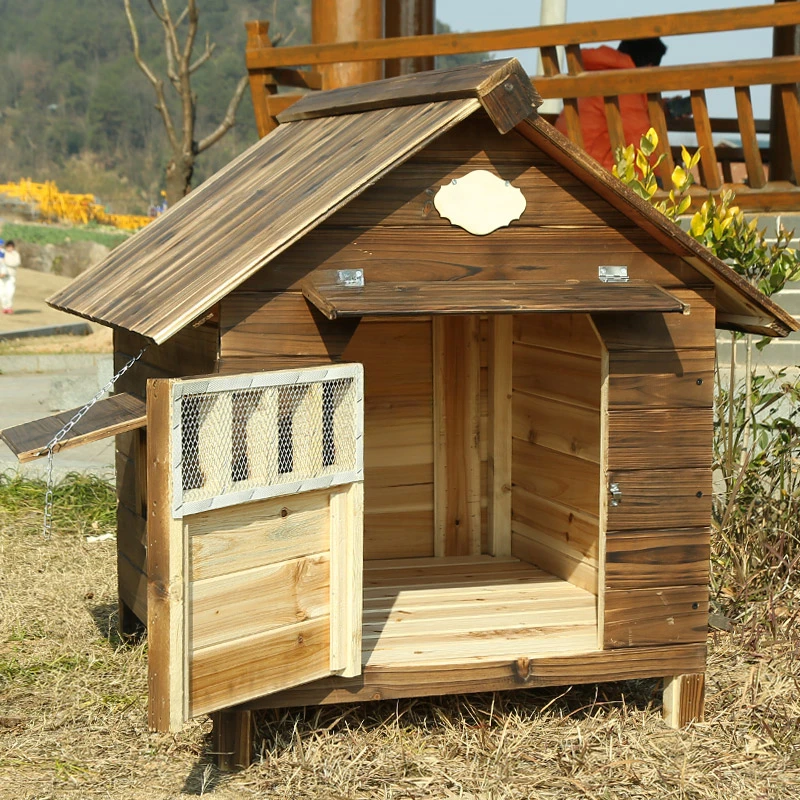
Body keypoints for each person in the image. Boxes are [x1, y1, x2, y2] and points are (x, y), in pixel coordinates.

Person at [555, 37, 668, 171]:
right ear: (649, 66)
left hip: (568, 164)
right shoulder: (624, 86)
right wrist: (667, 175)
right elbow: (643, 143)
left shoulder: (600, 75)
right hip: (595, 172)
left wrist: (665, 107)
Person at [0, 240, 21, 314]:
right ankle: (5, 307)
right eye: (8, 247)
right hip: (2, 277)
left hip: (11, 276)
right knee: (2, 293)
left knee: (10, 292)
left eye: (11, 247)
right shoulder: (2, 253)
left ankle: (9, 307)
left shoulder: (15, 254)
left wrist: (5, 262)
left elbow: (16, 263)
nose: (9, 248)